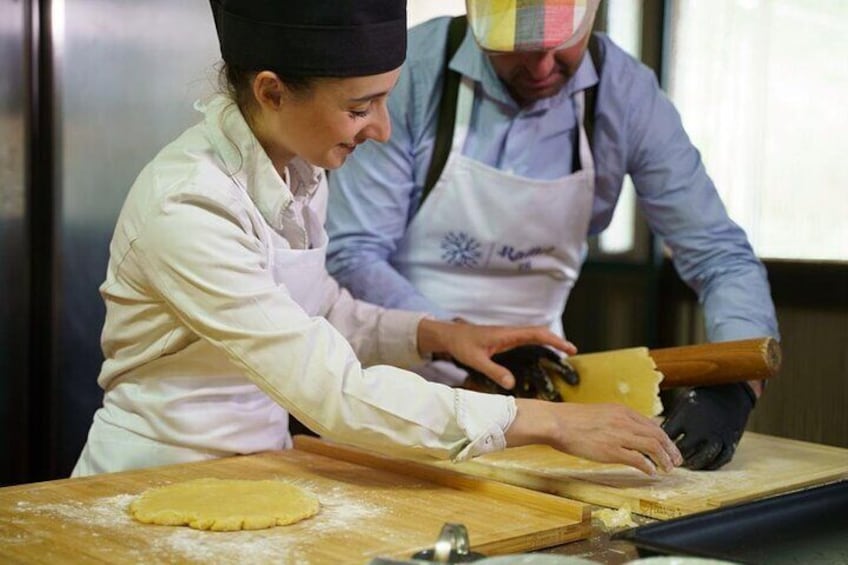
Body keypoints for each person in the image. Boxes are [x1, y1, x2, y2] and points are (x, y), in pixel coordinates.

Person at [71, 0, 682, 478]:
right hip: (150, 480)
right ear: (271, 91)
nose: (384, 130)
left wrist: (438, 335)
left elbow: (319, 311)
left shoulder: (301, 170)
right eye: (362, 106)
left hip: (262, 466)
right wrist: (543, 422)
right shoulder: (189, 205)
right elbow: (333, 391)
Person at [325, 0, 779, 470]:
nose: (541, 67)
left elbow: (718, 255)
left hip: (543, 388)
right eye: (514, 48)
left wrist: (737, 380)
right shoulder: (408, 73)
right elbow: (354, 253)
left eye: (562, 43)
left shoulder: (625, 92)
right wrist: (460, 339)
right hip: (399, 385)